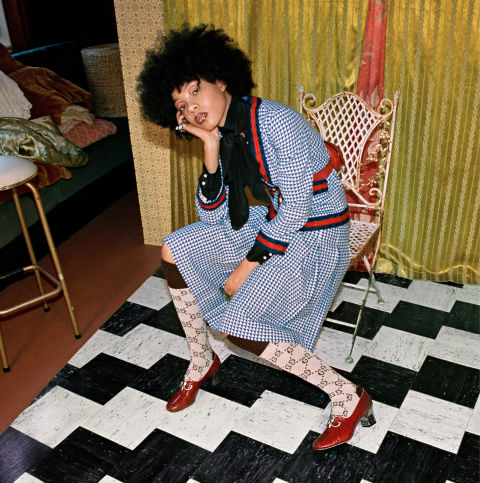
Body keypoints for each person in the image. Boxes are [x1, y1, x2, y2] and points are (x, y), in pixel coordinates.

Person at [137, 23, 375, 450]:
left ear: (221, 80)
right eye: (180, 104)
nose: (190, 107)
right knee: (175, 247)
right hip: (277, 221)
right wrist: (210, 149)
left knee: (239, 326)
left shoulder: (275, 121)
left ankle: (348, 396)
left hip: (317, 235)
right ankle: (201, 360)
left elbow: (298, 207)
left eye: (195, 90)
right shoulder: (229, 131)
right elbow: (212, 217)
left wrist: (245, 268)